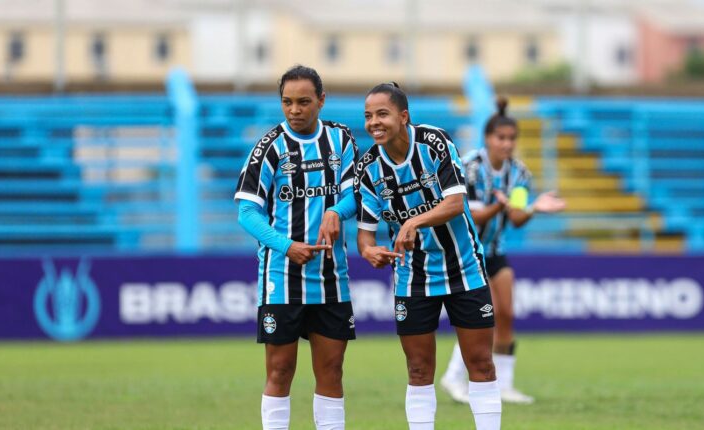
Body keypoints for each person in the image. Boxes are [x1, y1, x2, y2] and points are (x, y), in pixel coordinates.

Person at [356, 82, 501, 430]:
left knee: (480, 362)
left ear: (403, 116)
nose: (374, 122)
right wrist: (369, 251)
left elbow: (454, 203)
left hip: (464, 267)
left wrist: (412, 221)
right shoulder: (368, 168)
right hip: (412, 276)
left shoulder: (434, 142)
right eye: (368, 116)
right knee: (419, 369)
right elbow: (365, 236)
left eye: (382, 114)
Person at [234, 65, 359, 430]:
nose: (295, 110)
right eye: (287, 102)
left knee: (332, 370)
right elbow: (247, 212)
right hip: (282, 276)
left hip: (331, 277)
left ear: (321, 100)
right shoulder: (269, 147)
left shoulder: (341, 139)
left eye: (304, 102)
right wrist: (287, 246)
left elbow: (356, 194)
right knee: (280, 369)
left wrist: (337, 209)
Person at [440, 98, 566, 404]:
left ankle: (505, 385)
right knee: (483, 316)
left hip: (495, 250)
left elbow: (517, 217)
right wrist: (502, 203)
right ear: (487, 139)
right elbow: (471, 214)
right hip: (467, 252)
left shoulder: (519, 174)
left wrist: (533, 207)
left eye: (511, 139)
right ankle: (454, 377)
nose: (507, 144)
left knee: (506, 314)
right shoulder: (469, 168)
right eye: (501, 138)